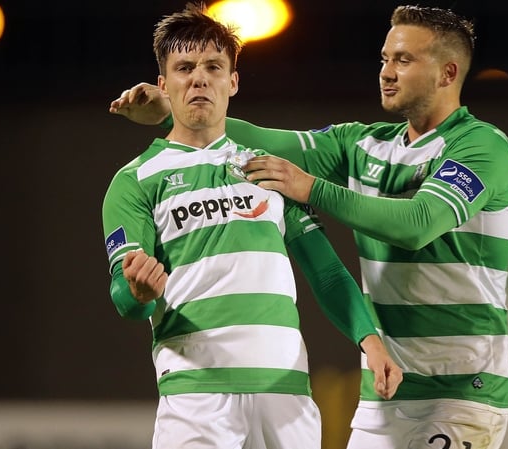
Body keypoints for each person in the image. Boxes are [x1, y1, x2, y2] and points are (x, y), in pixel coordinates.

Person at [109, 5, 508, 449]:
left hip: (458, 387)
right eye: (384, 58)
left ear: (447, 72)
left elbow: (418, 224)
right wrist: (173, 110)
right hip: (385, 390)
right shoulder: (361, 145)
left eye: (403, 60)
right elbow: (235, 138)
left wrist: (310, 187)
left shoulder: (481, 145)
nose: (386, 72)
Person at [101, 3, 402, 449]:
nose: (199, 79)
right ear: (164, 85)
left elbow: (326, 271)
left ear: (233, 81)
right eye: (184, 68)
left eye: (213, 67)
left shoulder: (270, 170)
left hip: (286, 394)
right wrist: (140, 294)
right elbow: (125, 297)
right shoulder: (135, 181)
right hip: (197, 397)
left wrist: (370, 341)